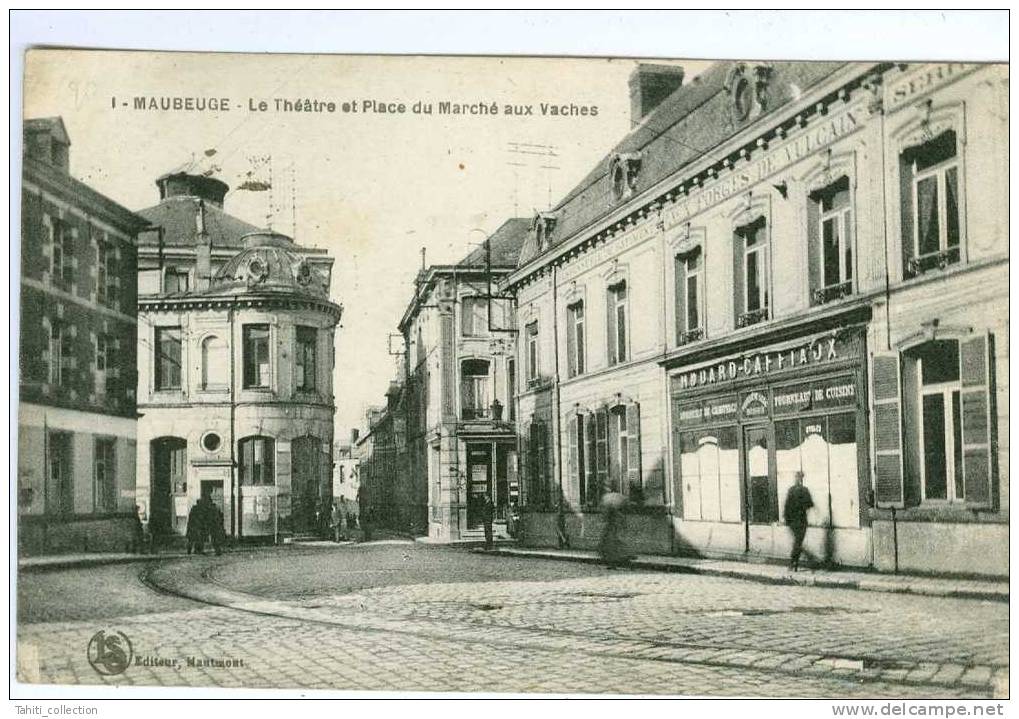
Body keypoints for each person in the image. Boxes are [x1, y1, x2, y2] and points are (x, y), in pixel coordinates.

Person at [784, 470, 814, 571]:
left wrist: (787, 520)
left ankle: (793, 562)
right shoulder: (804, 490)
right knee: (798, 541)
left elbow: (787, 506)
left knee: (798, 542)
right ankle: (794, 562)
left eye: (798, 477)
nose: (798, 479)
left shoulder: (792, 490)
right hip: (800, 520)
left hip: (795, 521)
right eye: (798, 477)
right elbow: (810, 504)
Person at [598, 492, 632, 568]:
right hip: (614, 530)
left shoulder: (613, 512)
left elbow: (606, 517)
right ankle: (616, 562)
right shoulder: (619, 513)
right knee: (613, 546)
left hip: (613, 531)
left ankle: (616, 562)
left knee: (611, 546)